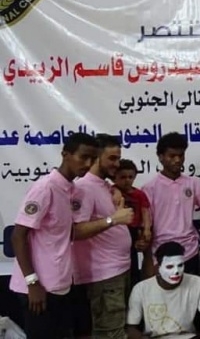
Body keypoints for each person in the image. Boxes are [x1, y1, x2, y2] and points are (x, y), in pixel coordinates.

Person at [9, 133, 98, 339]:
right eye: (83, 157)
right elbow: (18, 236)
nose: (88, 164)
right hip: (38, 288)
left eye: (92, 159)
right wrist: (32, 283)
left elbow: (64, 234)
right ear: (65, 155)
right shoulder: (45, 188)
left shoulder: (71, 190)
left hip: (61, 284)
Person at [72, 134, 135, 339]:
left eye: (118, 158)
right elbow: (76, 231)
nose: (117, 164)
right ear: (95, 157)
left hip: (119, 270)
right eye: (112, 158)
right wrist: (113, 220)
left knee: (117, 330)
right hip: (103, 276)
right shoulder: (84, 187)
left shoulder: (105, 185)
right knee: (110, 334)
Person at [141, 132, 200, 275]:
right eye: (172, 156)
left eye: (181, 155)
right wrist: (149, 260)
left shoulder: (193, 183)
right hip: (162, 253)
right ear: (160, 157)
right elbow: (146, 227)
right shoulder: (149, 188)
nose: (177, 160)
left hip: (190, 252)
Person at [126, 241, 200, 339]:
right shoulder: (141, 289)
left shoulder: (197, 283)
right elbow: (131, 328)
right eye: (169, 267)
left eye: (180, 265)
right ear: (158, 267)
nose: (176, 271)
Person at [113, 159, 153, 286]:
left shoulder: (139, 194)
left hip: (134, 230)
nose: (127, 180)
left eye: (130, 177)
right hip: (117, 231)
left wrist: (147, 229)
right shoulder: (111, 191)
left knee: (133, 261)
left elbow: (145, 211)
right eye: (123, 177)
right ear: (114, 177)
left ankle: (134, 284)